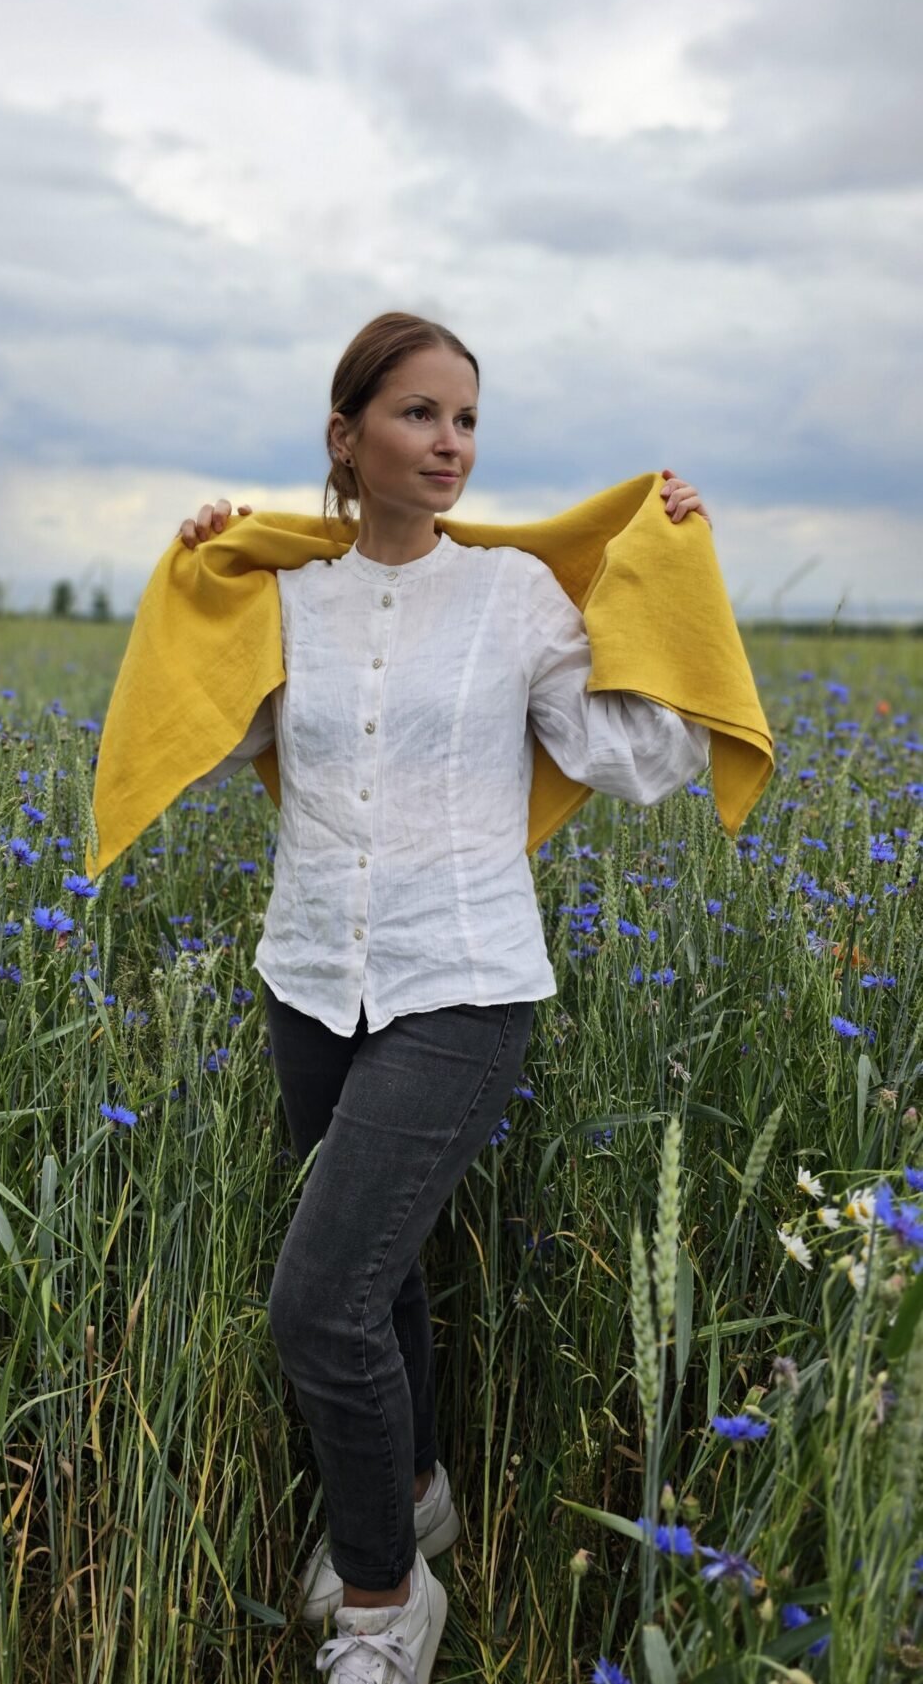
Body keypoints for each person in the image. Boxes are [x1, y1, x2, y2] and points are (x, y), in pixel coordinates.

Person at [176, 311, 713, 1683]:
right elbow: (213, 724)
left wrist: (673, 581)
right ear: (347, 437)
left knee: (319, 1303)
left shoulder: (516, 595)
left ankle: (382, 1603)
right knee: (381, 1270)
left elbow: (629, 760)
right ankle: (412, 1492)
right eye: (418, 414)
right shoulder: (290, 594)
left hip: (463, 982)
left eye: (466, 418)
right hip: (308, 975)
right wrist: (203, 575)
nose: (450, 442)